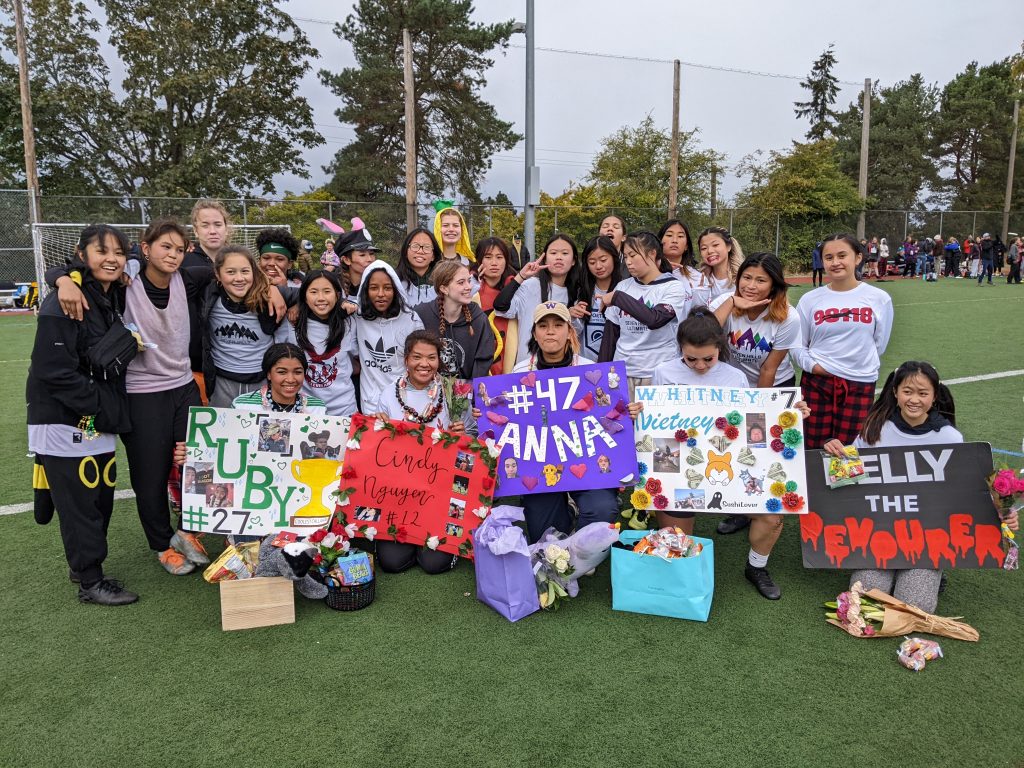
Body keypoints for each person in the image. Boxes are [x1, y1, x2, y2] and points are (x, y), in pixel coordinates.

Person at [52, 219, 214, 576]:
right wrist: (63, 280)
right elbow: (70, 267)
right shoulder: (126, 283)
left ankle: (187, 531)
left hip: (184, 386)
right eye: (164, 246)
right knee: (150, 476)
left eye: (178, 248)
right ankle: (161, 545)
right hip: (142, 394)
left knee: (197, 465)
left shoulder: (189, 279)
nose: (172, 254)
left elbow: (240, 270)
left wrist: (279, 290)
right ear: (145, 248)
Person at [823, 361, 1019, 613]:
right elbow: (848, 478)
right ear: (895, 392)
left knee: (916, 607)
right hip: (878, 535)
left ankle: (936, 572)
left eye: (923, 393)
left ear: (935, 396)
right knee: (866, 600)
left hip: (927, 540)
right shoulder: (875, 429)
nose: (914, 399)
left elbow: (969, 490)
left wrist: (1004, 511)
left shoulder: (949, 437)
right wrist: (833, 449)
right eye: (907, 391)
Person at [28, 225, 138, 605]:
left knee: (99, 494)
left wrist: (62, 276)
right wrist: (98, 405)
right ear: (81, 254)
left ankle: (84, 566)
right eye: (101, 251)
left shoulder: (107, 291)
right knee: (80, 503)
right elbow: (51, 371)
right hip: (64, 418)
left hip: (93, 417)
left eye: (118, 252)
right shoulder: (64, 302)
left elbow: (142, 259)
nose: (112, 258)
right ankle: (90, 581)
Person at [708, 254, 805, 593]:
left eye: (760, 280)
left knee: (763, 460)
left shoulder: (787, 317)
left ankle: (757, 565)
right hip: (732, 390)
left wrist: (757, 412)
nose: (751, 285)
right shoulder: (729, 304)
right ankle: (740, 510)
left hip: (770, 392)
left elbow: (768, 369)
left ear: (775, 286)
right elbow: (703, 331)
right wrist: (730, 301)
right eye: (746, 278)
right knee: (731, 457)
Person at [507, 302, 619, 542]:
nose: (550, 331)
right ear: (535, 333)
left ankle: (583, 543)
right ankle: (567, 513)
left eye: (558, 325)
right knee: (543, 535)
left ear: (570, 332)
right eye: (543, 325)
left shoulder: (592, 371)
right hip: (540, 465)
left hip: (584, 460)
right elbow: (510, 421)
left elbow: (609, 416)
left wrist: (624, 411)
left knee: (602, 510)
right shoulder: (518, 373)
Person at [367, 330, 472, 574]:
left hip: (441, 487)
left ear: (439, 360)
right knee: (391, 562)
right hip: (400, 490)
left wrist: (463, 433)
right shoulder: (388, 392)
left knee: (434, 564)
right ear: (406, 359)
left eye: (431, 358)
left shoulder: (453, 392)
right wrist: (377, 424)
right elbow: (377, 446)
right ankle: (410, 540)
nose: (424, 364)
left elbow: (473, 439)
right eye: (417, 357)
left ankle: (430, 543)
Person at [795, 234, 893, 449]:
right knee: (811, 447)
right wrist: (816, 367)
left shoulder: (879, 298)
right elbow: (798, 345)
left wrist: (855, 365)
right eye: (828, 257)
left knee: (850, 451)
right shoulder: (810, 300)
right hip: (817, 383)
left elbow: (879, 344)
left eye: (842, 255)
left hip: (859, 382)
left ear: (858, 257)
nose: (835, 262)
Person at [598, 231, 690, 398]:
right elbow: (611, 335)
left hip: (658, 373)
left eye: (633, 255)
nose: (628, 262)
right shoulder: (623, 286)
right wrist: (601, 374)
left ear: (652, 254)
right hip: (622, 372)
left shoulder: (673, 287)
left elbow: (655, 319)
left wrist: (617, 298)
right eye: (625, 257)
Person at [201, 245, 291, 408]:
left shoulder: (267, 296)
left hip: (261, 381)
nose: (239, 278)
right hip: (222, 382)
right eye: (230, 272)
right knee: (224, 431)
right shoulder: (208, 296)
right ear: (217, 274)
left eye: (245, 271)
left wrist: (278, 292)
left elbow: (307, 294)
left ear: (254, 272)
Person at [493, 233, 585, 367]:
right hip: (528, 368)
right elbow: (500, 306)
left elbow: (576, 334)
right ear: (545, 258)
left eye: (565, 253)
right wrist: (521, 276)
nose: (559, 257)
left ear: (573, 260)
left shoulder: (577, 292)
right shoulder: (530, 285)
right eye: (553, 253)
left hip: (564, 368)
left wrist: (571, 316)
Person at [353, 260, 423, 412]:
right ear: (365, 290)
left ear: (396, 289)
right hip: (371, 403)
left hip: (405, 400)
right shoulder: (356, 317)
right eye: (373, 288)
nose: (381, 294)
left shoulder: (411, 319)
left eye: (387, 288)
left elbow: (420, 357)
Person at [414, 260, 496, 381]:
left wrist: (472, 390)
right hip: (428, 391)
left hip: (466, 393)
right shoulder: (421, 314)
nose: (469, 287)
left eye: (468, 281)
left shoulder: (477, 317)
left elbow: (484, 358)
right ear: (444, 288)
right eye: (461, 282)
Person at [293, 269, 357, 416]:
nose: (320, 298)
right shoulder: (292, 323)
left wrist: (351, 305)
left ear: (337, 295)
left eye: (327, 291)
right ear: (304, 296)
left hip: (344, 409)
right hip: (305, 410)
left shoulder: (350, 321)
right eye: (313, 292)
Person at [232, 343, 327, 414]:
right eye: (282, 372)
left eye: (298, 372)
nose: (290, 380)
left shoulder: (318, 409)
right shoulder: (242, 405)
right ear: (269, 374)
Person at [471, 236, 516, 374]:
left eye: (499, 257)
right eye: (488, 257)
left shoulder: (516, 289)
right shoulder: (468, 289)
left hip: (512, 365)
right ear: (479, 260)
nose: (494, 263)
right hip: (478, 365)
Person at [578, 236, 622, 361]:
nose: (598, 266)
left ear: (614, 258)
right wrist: (572, 316)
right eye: (592, 262)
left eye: (603, 260)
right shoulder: (580, 291)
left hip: (615, 367)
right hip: (584, 366)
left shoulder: (624, 290)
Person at [692, 226, 745, 306]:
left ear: (728, 247)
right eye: (704, 248)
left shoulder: (743, 277)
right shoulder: (698, 279)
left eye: (715, 245)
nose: (709, 251)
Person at [336, 220, 380, 302]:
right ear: (346, 260)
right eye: (362, 255)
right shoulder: (333, 285)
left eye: (371, 254)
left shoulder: (381, 281)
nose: (370, 259)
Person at [396, 227, 441, 307]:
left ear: (433, 256)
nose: (420, 251)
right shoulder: (395, 281)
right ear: (406, 252)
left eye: (427, 247)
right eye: (415, 246)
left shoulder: (442, 281)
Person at [184, 198, 231, 268]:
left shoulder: (239, 259)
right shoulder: (183, 261)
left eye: (218, 225)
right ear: (195, 231)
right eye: (205, 226)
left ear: (226, 229)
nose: (212, 231)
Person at [432, 202, 475, 267]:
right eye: (445, 225)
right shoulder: (430, 262)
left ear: (462, 229)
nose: (451, 229)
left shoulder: (469, 264)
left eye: (456, 225)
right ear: (437, 229)